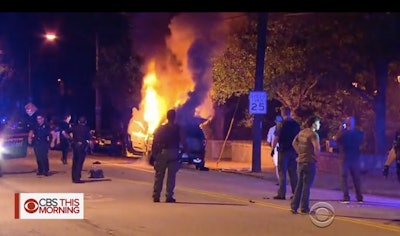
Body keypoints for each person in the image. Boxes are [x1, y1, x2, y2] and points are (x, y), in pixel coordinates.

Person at [152, 109, 187, 203]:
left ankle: (156, 196)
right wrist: (183, 151)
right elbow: (183, 141)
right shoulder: (178, 128)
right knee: (171, 176)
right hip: (174, 152)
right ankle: (169, 196)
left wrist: (154, 154)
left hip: (162, 153)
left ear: (167, 117)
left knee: (159, 175)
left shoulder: (161, 128)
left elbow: (154, 141)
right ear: (174, 117)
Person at [290, 116, 321, 214]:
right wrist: (316, 158)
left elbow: (294, 143)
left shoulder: (302, 133)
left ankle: (294, 206)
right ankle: (304, 208)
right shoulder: (313, 135)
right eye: (318, 123)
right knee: (306, 186)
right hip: (309, 162)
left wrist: (299, 152)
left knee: (299, 184)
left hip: (300, 161)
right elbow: (317, 147)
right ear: (314, 124)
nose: (319, 125)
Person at [271, 106, 300, 200]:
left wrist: (272, 149)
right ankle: (296, 193)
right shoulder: (296, 124)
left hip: (283, 150)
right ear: (290, 112)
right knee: (293, 173)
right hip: (293, 150)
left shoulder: (281, 124)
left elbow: (276, 137)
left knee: (282, 172)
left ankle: (281, 193)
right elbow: (299, 138)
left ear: (283, 113)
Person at [334, 116, 364, 203]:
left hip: (344, 157)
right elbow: (361, 141)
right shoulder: (358, 133)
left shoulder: (343, 133)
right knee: (356, 178)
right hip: (354, 157)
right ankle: (359, 197)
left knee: (344, 178)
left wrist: (341, 129)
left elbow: (336, 139)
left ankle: (346, 197)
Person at [71, 116, 92, 183]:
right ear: (85, 122)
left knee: (75, 162)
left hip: (75, 145)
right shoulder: (87, 128)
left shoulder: (75, 127)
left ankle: (74, 178)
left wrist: (71, 139)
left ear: (78, 121)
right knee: (79, 163)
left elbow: (64, 132)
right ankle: (77, 178)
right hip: (82, 146)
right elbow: (89, 138)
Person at [267, 115, 283, 185]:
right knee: (283, 165)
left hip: (276, 149)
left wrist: (272, 149)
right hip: (283, 148)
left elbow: (269, 141)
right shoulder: (284, 128)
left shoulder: (272, 129)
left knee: (277, 165)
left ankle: (280, 180)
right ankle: (283, 180)